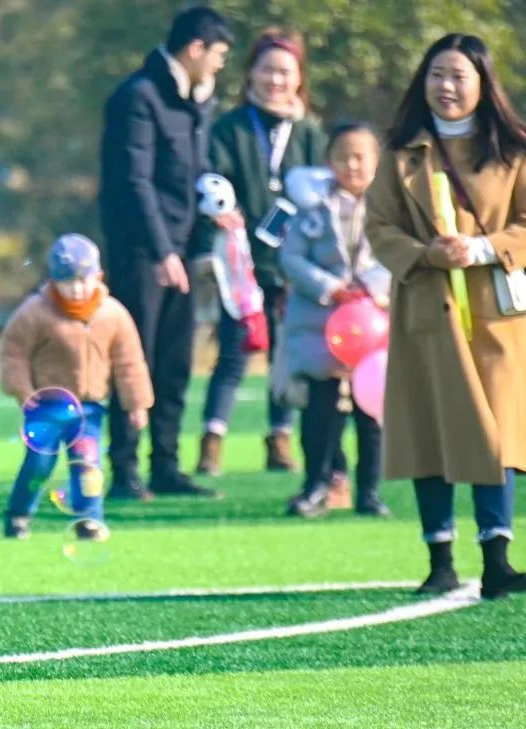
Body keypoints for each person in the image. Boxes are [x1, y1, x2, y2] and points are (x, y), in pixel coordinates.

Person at [366, 33, 526, 599]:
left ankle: (498, 559)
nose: (447, 86)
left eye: (459, 75)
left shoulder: (514, 151)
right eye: (437, 74)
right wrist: (426, 255)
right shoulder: (402, 152)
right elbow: (379, 227)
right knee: (427, 430)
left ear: (484, 84)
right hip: (427, 311)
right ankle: (439, 559)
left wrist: (484, 249)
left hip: (495, 314)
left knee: (496, 433)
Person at [99, 6, 233, 500]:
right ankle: (125, 470)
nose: (220, 66)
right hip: (143, 253)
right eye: (218, 55)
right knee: (136, 361)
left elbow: (191, 175)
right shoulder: (139, 96)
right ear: (195, 49)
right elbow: (134, 183)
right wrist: (161, 252)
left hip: (181, 251)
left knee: (176, 362)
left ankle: (166, 467)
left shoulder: (194, 101)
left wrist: (213, 219)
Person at [192, 27, 330, 479]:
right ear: (250, 73)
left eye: (285, 72)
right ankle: (211, 443)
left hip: (294, 265)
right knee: (233, 353)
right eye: (267, 69)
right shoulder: (229, 127)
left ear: (299, 78)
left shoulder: (309, 132)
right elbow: (214, 179)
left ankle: (280, 440)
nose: (275, 80)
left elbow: (321, 194)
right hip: (240, 264)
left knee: (286, 355)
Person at [0, 234, 154, 538]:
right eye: (67, 283)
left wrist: (136, 402)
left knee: (88, 466)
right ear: (53, 280)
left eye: (83, 281)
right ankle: (19, 513)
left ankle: (89, 519)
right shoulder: (36, 313)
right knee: (39, 464)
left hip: (90, 408)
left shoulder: (113, 314)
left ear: (98, 276)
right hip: (44, 408)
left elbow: (129, 362)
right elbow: (13, 355)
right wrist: (23, 392)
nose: (76, 289)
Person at [279, 123, 391, 518]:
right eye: (343, 155)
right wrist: (331, 286)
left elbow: (400, 257)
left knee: (371, 413)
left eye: (361, 156)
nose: (352, 164)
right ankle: (316, 486)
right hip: (319, 325)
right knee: (320, 412)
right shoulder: (311, 209)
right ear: (329, 162)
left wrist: (370, 288)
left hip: (374, 326)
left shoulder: (391, 209)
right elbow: (290, 257)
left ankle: (370, 492)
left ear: (377, 162)